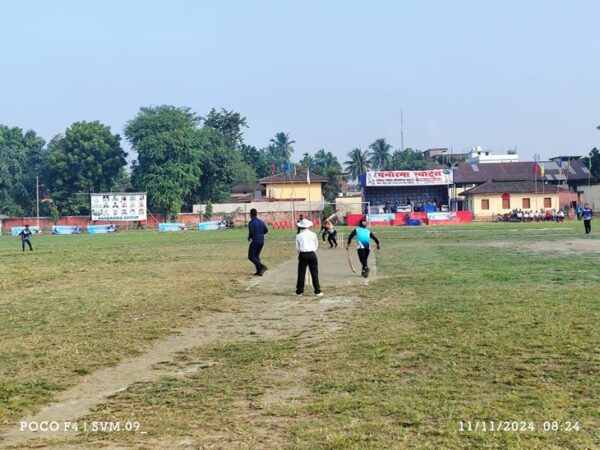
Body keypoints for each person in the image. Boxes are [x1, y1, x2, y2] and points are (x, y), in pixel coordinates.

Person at [295, 218, 323, 297]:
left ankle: (299, 291)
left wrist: (300, 254)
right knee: (314, 273)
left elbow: (297, 247)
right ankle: (317, 291)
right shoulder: (313, 234)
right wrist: (313, 251)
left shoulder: (298, 236)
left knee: (301, 273)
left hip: (303, 254)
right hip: (312, 254)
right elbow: (316, 245)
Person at [248, 208, 268, 276]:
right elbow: (266, 230)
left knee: (251, 256)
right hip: (261, 241)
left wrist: (249, 237)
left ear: (250, 214)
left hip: (255, 241)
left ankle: (262, 266)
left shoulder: (251, 223)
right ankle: (259, 271)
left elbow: (251, 232)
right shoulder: (261, 222)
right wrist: (260, 234)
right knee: (256, 256)